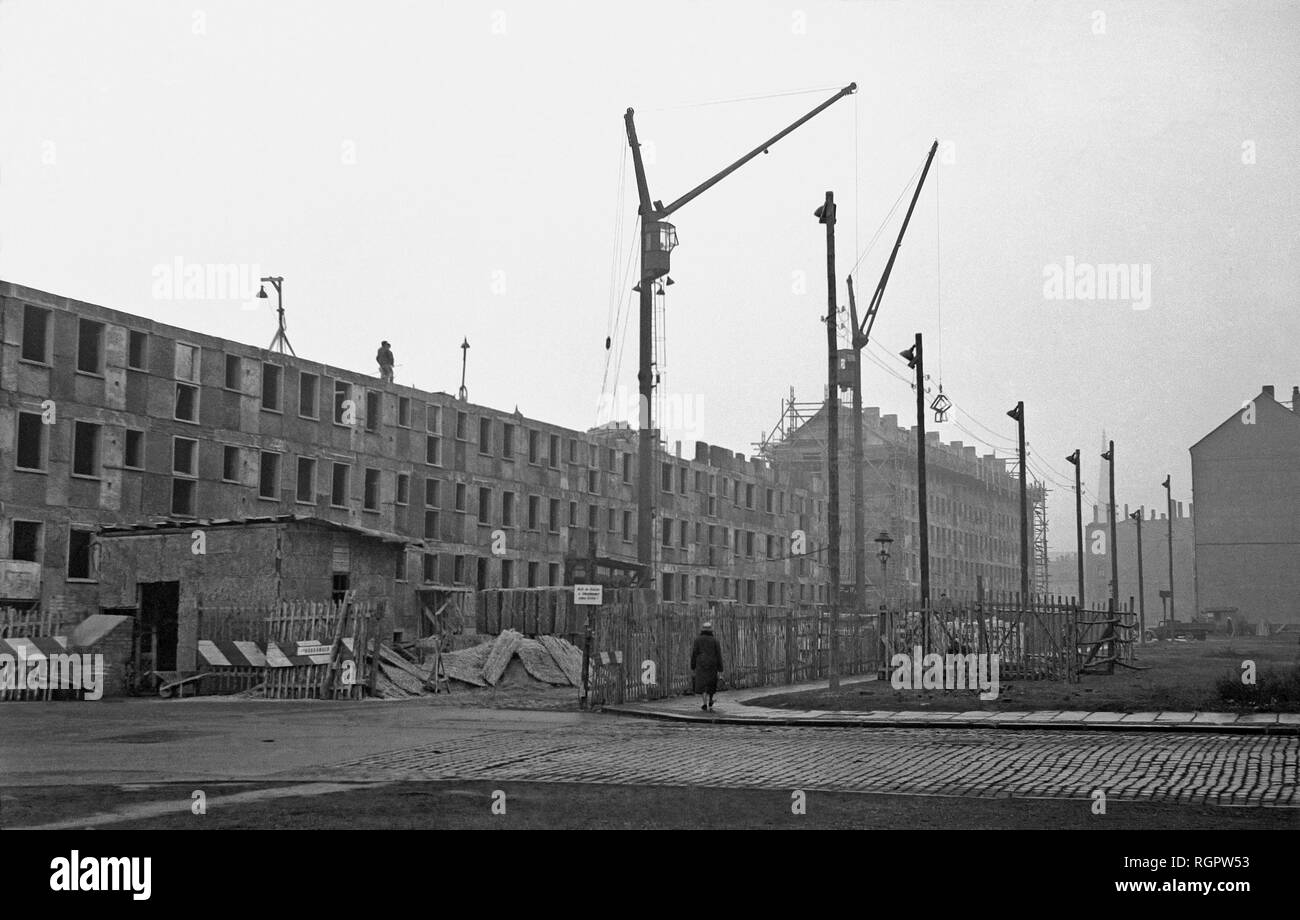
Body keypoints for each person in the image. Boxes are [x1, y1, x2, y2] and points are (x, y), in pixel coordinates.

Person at [690, 621, 723, 711]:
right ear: (711, 630)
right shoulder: (715, 641)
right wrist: (720, 668)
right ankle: (711, 699)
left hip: (701, 664)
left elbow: (694, 653)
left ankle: (704, 703)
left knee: (703, 684)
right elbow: (718, 654)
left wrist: (693, 665)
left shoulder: (697, 640)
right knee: (711, 683)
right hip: (712, 664)